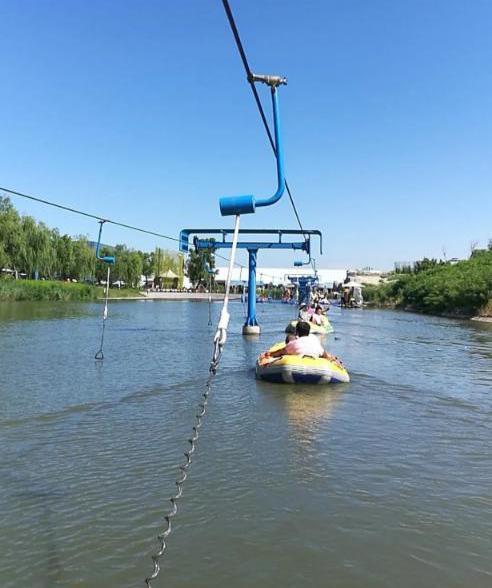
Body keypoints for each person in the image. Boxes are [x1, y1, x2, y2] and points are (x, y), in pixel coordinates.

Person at [263, 321, 340, 363]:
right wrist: (333, 359)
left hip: (295, 365)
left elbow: (280, 352)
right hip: (315, 364)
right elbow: (324, 354)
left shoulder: (293, 343)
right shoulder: (315, 341)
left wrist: (270, 354)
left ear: (297, 332)